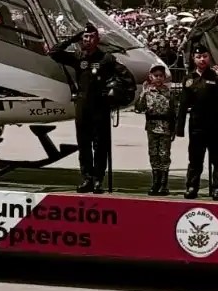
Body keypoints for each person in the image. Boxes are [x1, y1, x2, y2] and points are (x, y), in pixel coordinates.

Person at [48, 22, 137, 193]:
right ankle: (87, 178)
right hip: (82, 104)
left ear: (97, 39)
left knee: (100, 145)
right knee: (84, 144)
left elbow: (126, 77)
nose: (87, 40)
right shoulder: (78, 57)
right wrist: (73, 38)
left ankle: (98, 179)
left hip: (101, 105)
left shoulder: (106, 59)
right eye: (85, 37)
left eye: (91, 36)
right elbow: (54, 52)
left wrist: (120, 96)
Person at [175, 42, 218, 200]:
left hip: (215, 123)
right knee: (195, 158)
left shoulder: (216, 75)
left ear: (209, 57)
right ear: (193, 58)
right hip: (197, 124)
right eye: (198, 57)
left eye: (204, 56)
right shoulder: (189, 78)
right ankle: (192, 186)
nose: (202, 59)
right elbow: (183, 104)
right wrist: (179, 127)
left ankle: (217, 188)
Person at [134, 62, 176, 196]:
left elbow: (174, 112)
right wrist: (143, 93)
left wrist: (174, 129)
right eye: (156, 75)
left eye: (161, 76)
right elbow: (139, 108)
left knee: (164, 155)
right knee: (153, 155)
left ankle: (164, 184)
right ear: (150, 77)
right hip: (152, 128)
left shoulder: (169, 93)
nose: (158, 78)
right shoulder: (147, 92)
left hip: (165, 128)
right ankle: (155, 182)